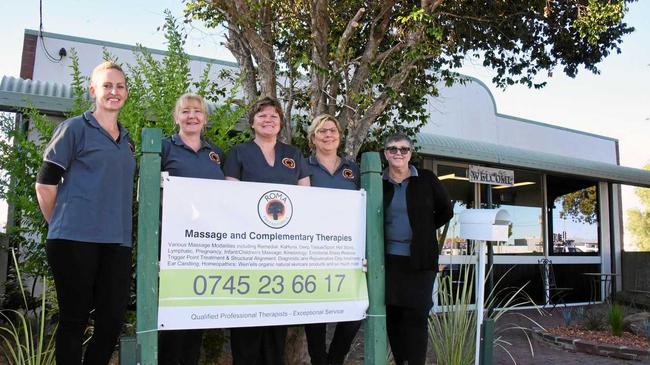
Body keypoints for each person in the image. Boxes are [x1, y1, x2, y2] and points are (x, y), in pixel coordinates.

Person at [34, 61, 135, 365]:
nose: (113, 92)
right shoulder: (75, 128)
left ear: (126, 93)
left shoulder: (127, 141)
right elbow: (45, 184)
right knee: (74, 321)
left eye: (119, 86)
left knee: (111, 322)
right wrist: (61, 225)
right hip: (73, 239)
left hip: (116, 243)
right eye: (107, 85)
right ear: (93, 90)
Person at [223, 96, 310, 365]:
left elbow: (305, 197)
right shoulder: (238, 152)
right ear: (252, 122)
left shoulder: (293, 155)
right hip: (247, 249)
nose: (268, 119)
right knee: (246, 323)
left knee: (275, 323)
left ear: (280, 122)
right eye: (262, 115)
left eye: (274, 116)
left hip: (281, 251)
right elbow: (229, 196)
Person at [158, 93, 225, 364]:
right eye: (185, 111)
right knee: (173, 317)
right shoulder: (164, 147)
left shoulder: (216, 154)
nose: (192, 116)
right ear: (176, 117)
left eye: (197, 111)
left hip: (207, 245)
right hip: (174, 244)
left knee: (196, 315)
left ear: (205, 119)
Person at [382, 132, 453, 365]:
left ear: (410, 153)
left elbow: (446, 210)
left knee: (417, 318)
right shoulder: (378, 182)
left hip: (420, 262)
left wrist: (423, 230)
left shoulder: (427, 179)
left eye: (403, 149)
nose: (398, 153)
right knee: (393, 318)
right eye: (393, 149)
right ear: (385, 153)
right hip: (389, 263)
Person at [303, 114, 361, 365]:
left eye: (332, 131)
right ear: (313, 137)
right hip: (313, 250)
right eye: (322, 131)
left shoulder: (353, 169)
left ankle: (335, 359)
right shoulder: (303, 166)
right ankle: (318, 360)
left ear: (339, 135)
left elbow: (363, 207)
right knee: (314, 314)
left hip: (346, 251)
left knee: (354, 312)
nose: (328, 135)